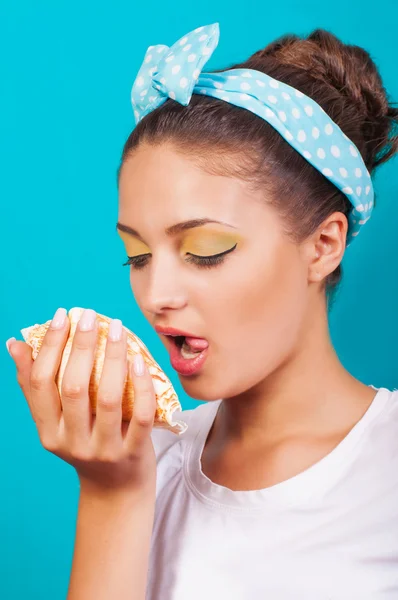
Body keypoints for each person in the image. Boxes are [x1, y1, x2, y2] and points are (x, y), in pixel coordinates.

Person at [6, 22, 398, 600]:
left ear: (323, 246)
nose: (155, 294)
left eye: (205, 251)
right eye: (136, 256)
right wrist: (113, 493)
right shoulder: (141, 456)